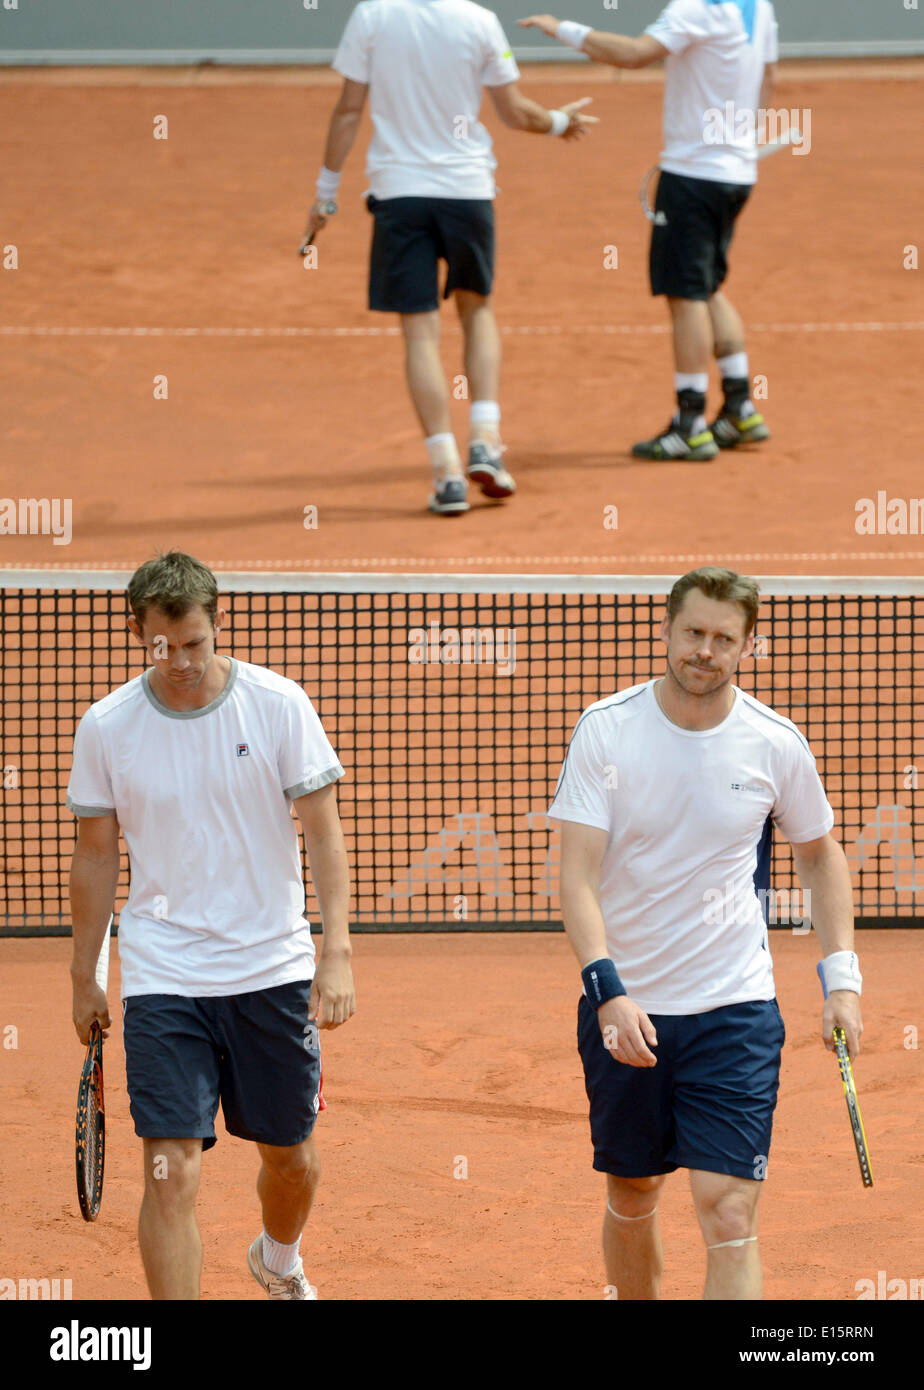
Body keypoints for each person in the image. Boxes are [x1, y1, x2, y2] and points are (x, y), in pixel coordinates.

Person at [548, 567, 863, 1299]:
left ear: (748, 647)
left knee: (728, 1207)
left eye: (725, 639)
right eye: (694, 632)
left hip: (735, 1012)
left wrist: (840, 979)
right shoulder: (609, 730)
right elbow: (578, 877)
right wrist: (607, 989)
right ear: (667, 630)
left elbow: (819, 856)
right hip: (628, 1009)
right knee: (633, 1195)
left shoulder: (774, 743)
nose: (705, 651)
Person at [67, 550, 354, 1300]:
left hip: (272, 966)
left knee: (290, 1157)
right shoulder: (107, 726)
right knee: (171, 1169)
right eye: (164, 645)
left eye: (196, 643)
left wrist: (337, 953)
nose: (182, 661)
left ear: (215, 626)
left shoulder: (277, 704)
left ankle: (278, 1259)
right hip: (165, 973)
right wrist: (83, 974)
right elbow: (95, 859)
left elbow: (324, 832)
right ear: (138, 632)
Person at [305, 0, 597, 515]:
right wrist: (557, 123)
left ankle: (447, 475)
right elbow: (513, 113)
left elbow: (348, 109)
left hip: (399, 195)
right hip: (467, 192)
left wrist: (326, 194)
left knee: (420, 332)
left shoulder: (372, 16)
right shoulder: (480, 21)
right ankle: (485, 441)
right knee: (477, 310)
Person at [520, 7, 778, 461]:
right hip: (737, 172)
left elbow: (635, 54)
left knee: (686, 297)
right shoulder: (759, 6)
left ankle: (691, 424)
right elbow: (768, 77)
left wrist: (562, 29)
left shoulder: (695, 8)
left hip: (694, 177)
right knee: (708, 287)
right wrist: (743, 142)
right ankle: (740, 408)